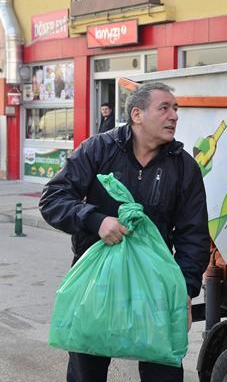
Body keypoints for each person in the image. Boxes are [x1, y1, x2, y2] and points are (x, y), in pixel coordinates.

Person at [39, 82, 211, 382]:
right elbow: (53, 199)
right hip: (97, 281)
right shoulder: (98, 150)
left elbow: (193, 233)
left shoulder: (183, 166)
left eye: (176, 109)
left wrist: (184, 289)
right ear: (137, 114)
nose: (174, 116)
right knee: (86, 367)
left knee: (163, 368)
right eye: (165, 108)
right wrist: (96, 220)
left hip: (156, 283)